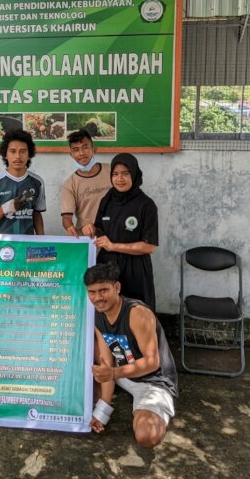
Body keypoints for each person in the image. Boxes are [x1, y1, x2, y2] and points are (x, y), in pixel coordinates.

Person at [86, 263, 177, 448]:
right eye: (92, 292)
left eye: (103, 290)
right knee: (89, 348)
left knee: (147, 436)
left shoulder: (137, 313)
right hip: (123, 374)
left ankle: (151, 410)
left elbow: (152, 362)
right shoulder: (98, 314)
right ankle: (99, 396)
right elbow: (107, 362)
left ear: (117, 288)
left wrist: (112, 373)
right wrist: (102, 413)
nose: (97, 298)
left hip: (152, 380)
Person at [82, 153, 159, 309]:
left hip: (134, 270)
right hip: (107, 268)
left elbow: (149, 246)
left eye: (125, 173)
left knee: (135, 313)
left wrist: (114, 246)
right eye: (115, 174)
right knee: (105, 312)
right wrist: (90, 228)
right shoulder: (107, 199)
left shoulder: (146, 205)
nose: (120, 179)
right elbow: (100, 231)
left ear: (135, 174)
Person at [0, 129, 46, 235]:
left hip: (28, 245)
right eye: (12, 151)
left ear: (29, 154)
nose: (17, 156)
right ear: (5, 155)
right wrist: (7, 207)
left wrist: (42, 240)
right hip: (3, 244)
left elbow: (37, 214)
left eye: (23, 151)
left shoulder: (38, 182)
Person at [60, 129, 111, 237]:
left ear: (94, 149)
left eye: (85, 147)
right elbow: (66, 218)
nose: (81, 153)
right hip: (88, 239)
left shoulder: (112, 172)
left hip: (113, 235)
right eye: (76, 149)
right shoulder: (69, 184)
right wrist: (70, 227)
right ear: (71, 154)